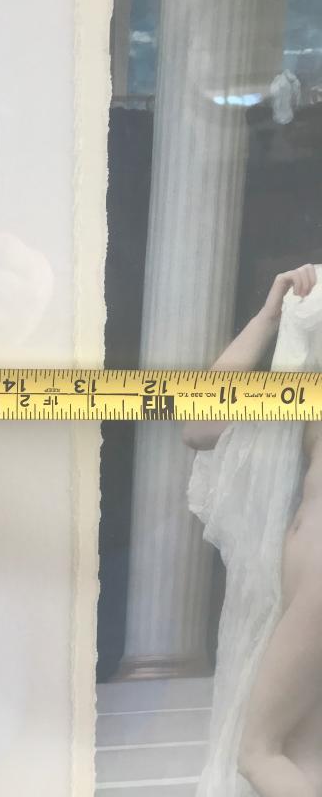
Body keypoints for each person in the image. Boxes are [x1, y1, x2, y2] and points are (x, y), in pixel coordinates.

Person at [183, 264, 322, 796]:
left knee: (258, 751)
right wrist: (271, 316)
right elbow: (201, 425)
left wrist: (270, 318)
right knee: (300, 752)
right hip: (304, 569)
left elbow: (199, 424)